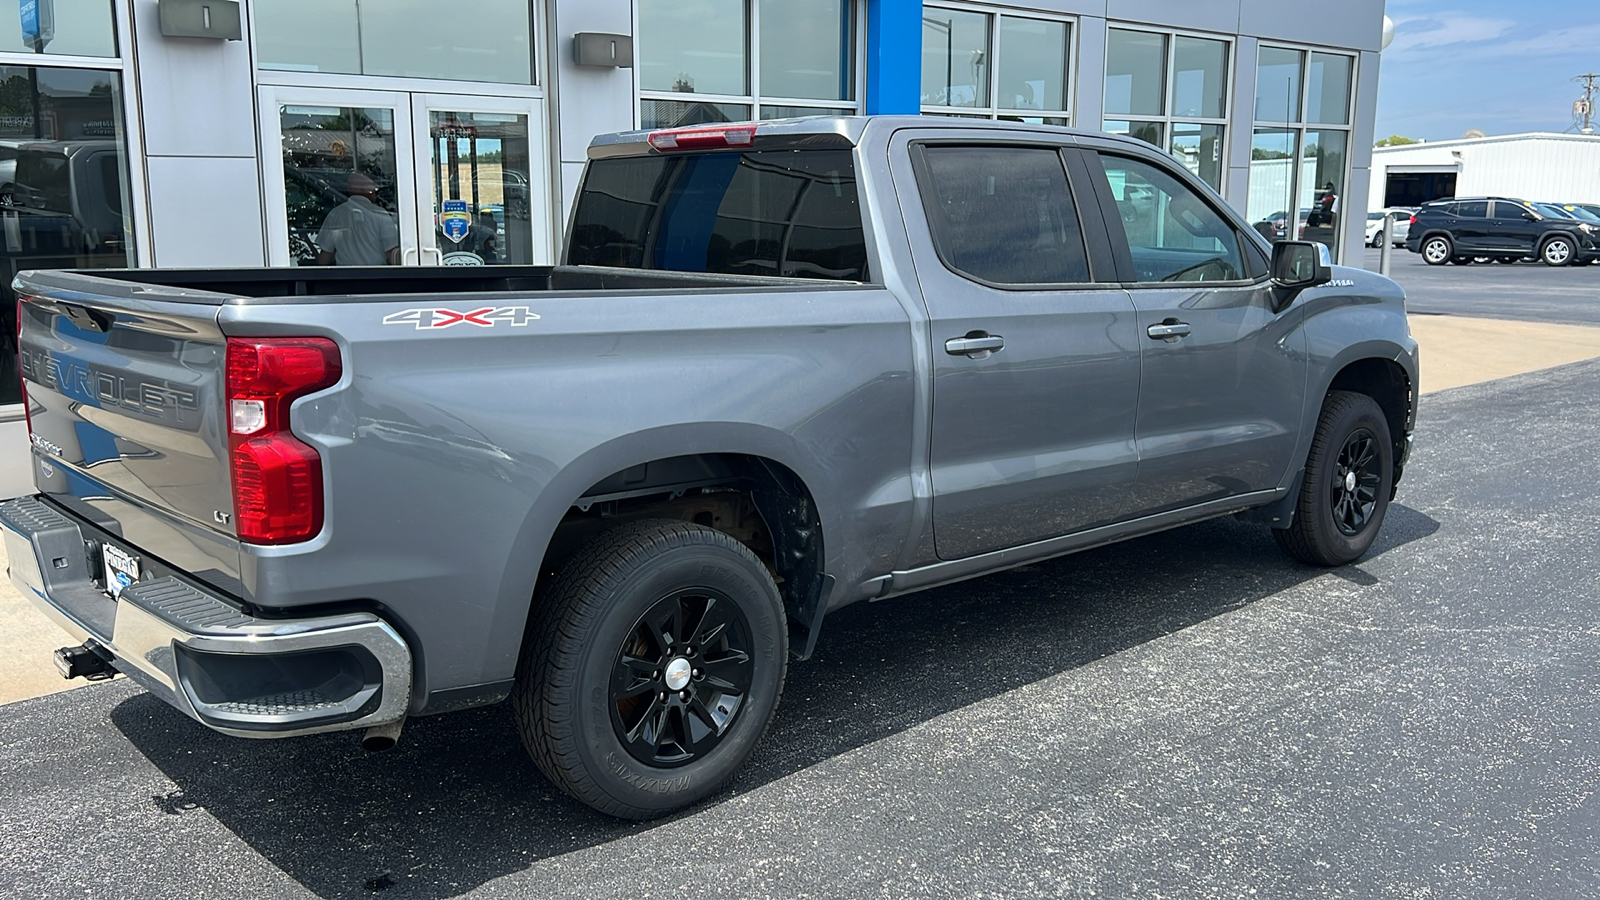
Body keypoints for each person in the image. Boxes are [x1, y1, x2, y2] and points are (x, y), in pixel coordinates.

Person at [316, 172, 400, 265]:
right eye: (374, 189)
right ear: (369, 191)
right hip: (376, 276)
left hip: (344, 276)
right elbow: (392, 254)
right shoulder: (380, 214)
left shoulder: (335, 214)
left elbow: (325, 256)